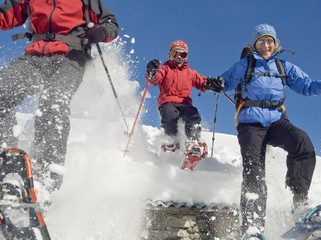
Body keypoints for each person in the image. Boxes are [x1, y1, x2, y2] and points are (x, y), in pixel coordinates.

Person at [209, 24, 321, 238]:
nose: (266, 45)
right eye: (261, 41)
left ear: (275, 43)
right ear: (254, 44)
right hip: (250, 124)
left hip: (275, 121)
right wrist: (217, 83)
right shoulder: (244, 64)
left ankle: (300, 202)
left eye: (269, 40)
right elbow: (226, 80)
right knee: (254, 170)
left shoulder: (284, 66)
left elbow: (306, 86)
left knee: (303, 143)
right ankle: (253, 227)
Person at [0, 0, 119, 193]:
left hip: (71, 57)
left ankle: (45, 179)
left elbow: (111, 24)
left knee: (53, 102)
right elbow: (5, 16)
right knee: (2, 91)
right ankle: (5, 160)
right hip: (35, 57)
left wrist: (102, 31)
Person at [145, 40, 222, 153]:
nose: (179, 58)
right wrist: (151, 72)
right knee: (171, 116)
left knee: (193, 115)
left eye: (183, 55)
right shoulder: (165, 69)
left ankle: (193, 142)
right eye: (176, 54)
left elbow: (201, 82)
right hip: (167, 101)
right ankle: (171, 140)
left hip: (184, 103)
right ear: (170, 55)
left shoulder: (190, 72)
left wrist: (210, 83)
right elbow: (154, 79)